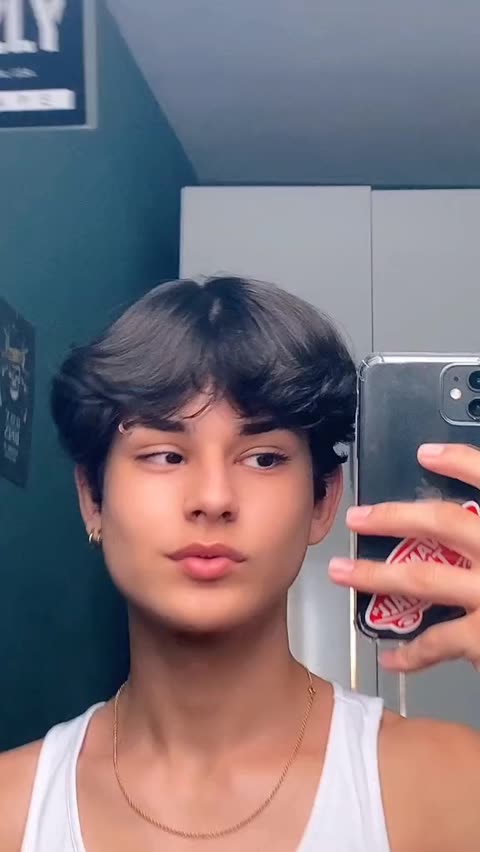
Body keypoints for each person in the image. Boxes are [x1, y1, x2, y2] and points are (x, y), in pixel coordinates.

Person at [1, 276, 480, 852]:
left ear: (323, 500)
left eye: (263, 458)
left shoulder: (449, 788)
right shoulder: (11, 810)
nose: (213, 498)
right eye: (165, 455)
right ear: (91, 498)